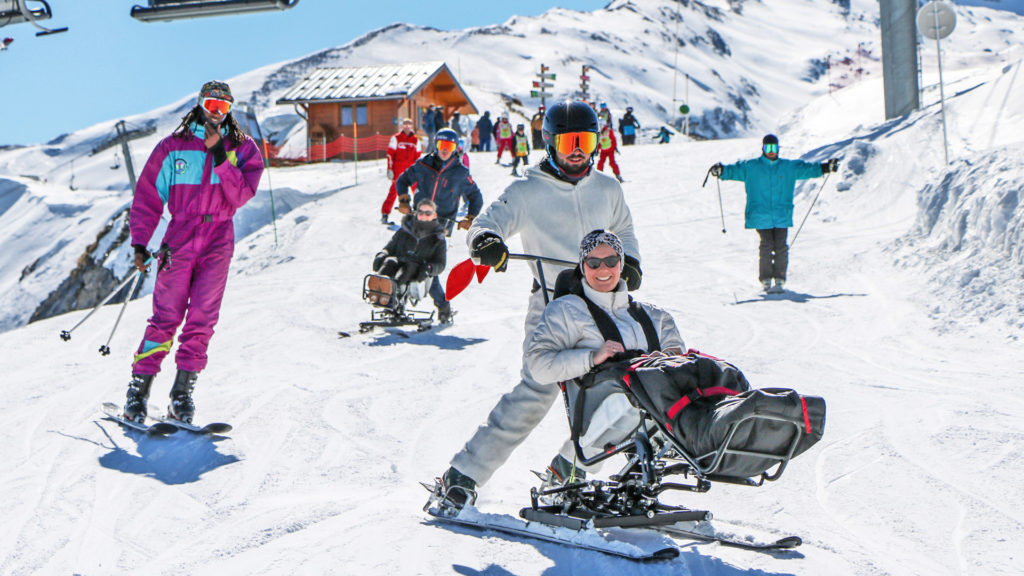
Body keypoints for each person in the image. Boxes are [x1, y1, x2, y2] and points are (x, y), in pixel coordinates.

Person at [432, 100, 642, 512]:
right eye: (568, 142)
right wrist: (487, 244)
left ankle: (569, 471)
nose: (578, 150)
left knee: (629, 389)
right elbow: (485, 224)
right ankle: (462, 477)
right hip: (553, 306)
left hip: (607, 306)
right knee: (538, 391)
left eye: (585, 140)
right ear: (549, 143)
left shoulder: (607, 188)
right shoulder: (527, 190)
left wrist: (630, 262)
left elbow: (625, 230)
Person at [122, 80, 264, 424]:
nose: (216, 112)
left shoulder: (242, 149)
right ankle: (138, 391)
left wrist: (219, 155)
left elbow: (242, 195)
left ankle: (181, 395)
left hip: (218, 236)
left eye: (223, 107)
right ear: (199, 104)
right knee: (165, 317)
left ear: (229, 110)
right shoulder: (173, 147)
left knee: (202, 318)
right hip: (181, 235)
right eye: (211, 104)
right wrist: (140, 242)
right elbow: (148, 197)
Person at [525, 230, 684, 485]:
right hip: (601, 403)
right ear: (582, 266)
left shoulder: (654, 316)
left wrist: (666, 359)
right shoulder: (566, 310)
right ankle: (567, 465)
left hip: (655, 405)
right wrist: (591, 357)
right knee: (632, 397)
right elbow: (539, 366)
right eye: (593, 262)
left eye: (611, 261)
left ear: (621, 265)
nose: (603, 269)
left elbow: (678, 356)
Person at [710, 134, 840, 292]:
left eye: (774, 148)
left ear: (778, 149)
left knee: (781, 246)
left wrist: (826, 167)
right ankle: (765, 279)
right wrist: (722, 170)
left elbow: (807, 169)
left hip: (781, 214)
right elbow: (735, 170)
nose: (771, 151)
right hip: (760, 214)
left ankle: (779, 278)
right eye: (767, 148)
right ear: (763, 149)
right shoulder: (752, 167)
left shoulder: (788, 167)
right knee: (766, 245)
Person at [396, 128, 483, 323]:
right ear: (436, 145)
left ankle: (442, 305)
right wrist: (403, 199)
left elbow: (476, 196)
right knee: (403, 257)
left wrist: (470, 217)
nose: (445, 150)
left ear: (455, 148)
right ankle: (399, 301)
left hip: (440, 225)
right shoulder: (423, 165)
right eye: (442, 145)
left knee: (425, 263)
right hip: (416, 220)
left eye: (449, 146)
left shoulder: (460, 172)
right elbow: (403, 180)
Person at [372, 199, 446, 291]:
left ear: (434, 215)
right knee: (390, 261)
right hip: (399, 260)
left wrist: (430, 268)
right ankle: (378, 288)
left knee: (408, 268)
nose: (423, 216)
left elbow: (441, 263)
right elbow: (390, 247)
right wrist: (382, 254)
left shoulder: (437, 238)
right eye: (421, 212)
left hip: (418, 267)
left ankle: (394, 289)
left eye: (428, 213)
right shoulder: (405, 230)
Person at [382, 118, 422, 225]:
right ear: (402, 126)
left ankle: (420, 214)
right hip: (398, 171)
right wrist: (390, 169)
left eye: (409, 124)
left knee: (418, 192)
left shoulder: (415, 140)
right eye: (405, 124)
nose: (407, 126)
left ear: (412, 126)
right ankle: (385, 214)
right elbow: (390, 154)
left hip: (411, 172)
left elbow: (418, 158)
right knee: (394, 192)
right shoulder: (396, 138)